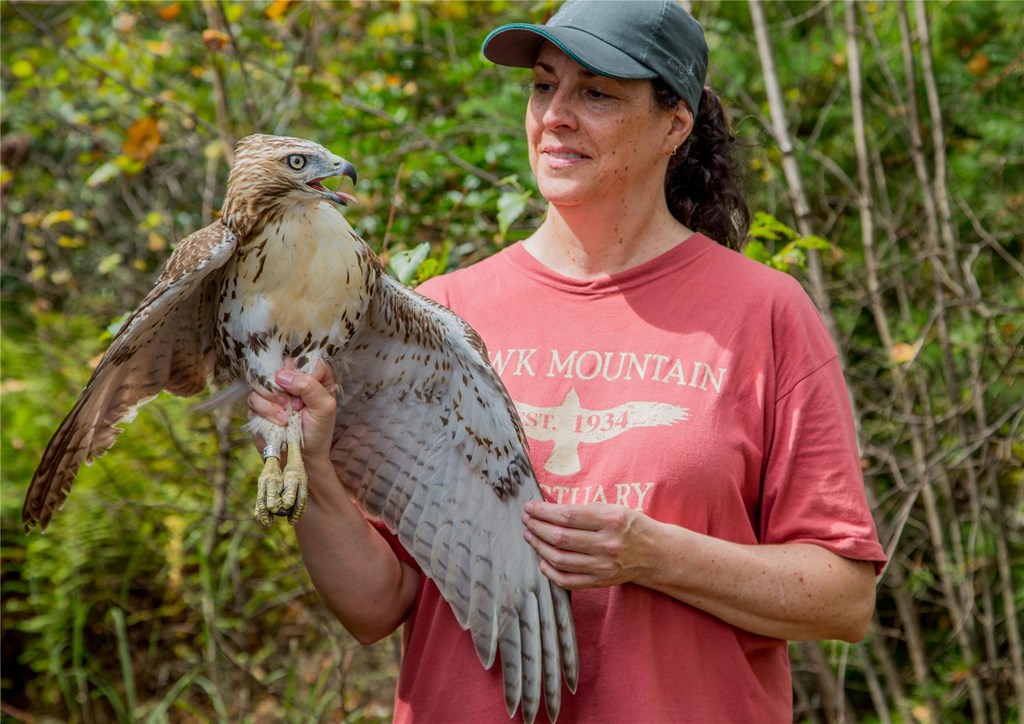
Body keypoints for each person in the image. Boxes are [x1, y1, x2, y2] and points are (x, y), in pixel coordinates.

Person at [250, 1, 887, 721]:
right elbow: (376, 604)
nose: (555, 114)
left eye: (597, 92)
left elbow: (842, 597)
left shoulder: (763, 313)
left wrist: (655, 556)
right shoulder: (437, 313)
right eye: (543, 86)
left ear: (674, 124)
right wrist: (316, 470)